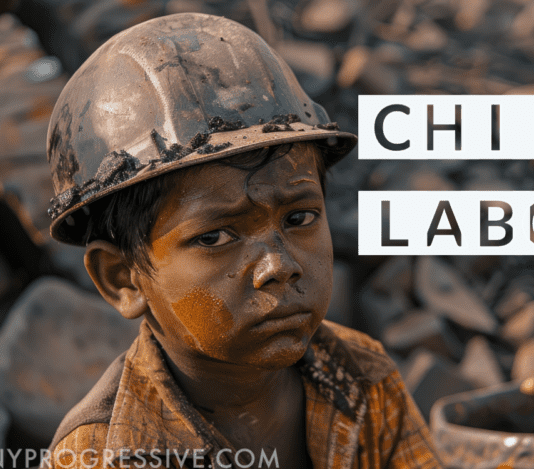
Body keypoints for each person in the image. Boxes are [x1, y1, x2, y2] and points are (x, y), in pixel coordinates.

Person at [42, 12, 441, 469]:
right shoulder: (102, 455)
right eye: (214, 237)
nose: (279, 266)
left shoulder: (362, 379)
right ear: (122, 279)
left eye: (299, 217)